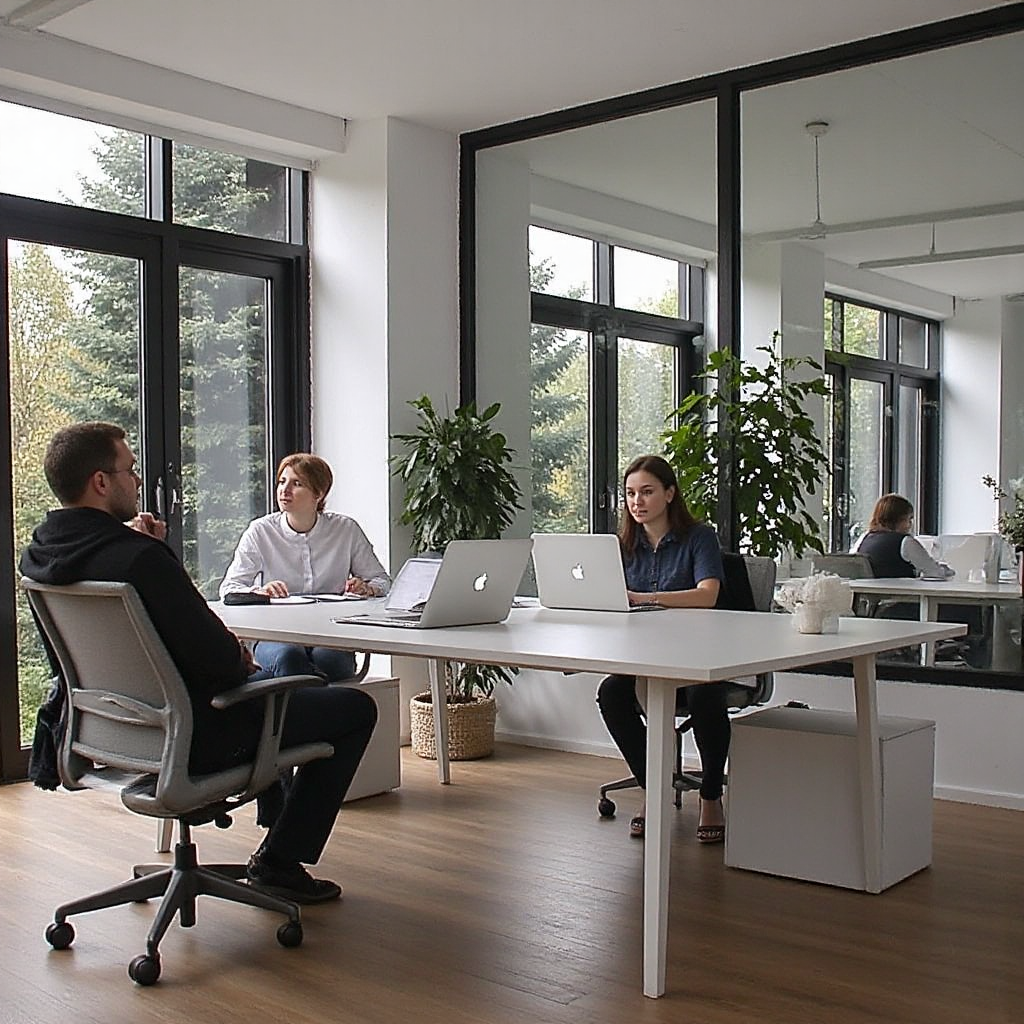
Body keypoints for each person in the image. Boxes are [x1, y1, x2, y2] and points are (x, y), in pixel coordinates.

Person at [20, 422, 377, 904]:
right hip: (198, 733)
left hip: (110, 731)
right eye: (130, 470)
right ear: (101, 483)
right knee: (354, 710)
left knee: (289, 688)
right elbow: (218, 661)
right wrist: (247, 666)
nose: (138, 481)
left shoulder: (43, 555)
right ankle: (279, 860)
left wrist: (147, 548)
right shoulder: (139, 560)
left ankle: (275, 827)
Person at [595, 454, 729, 843]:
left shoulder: (698, 537)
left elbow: (708, 596)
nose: (637, 502)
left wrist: (645, 597)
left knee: (707, 694)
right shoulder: (620, 546)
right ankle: (652, 785)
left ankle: (710, 795)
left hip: (696, 653)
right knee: (611, 694)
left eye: (648, 492)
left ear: (669, 494)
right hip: (642, 655)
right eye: (631, 494)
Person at [220, 453, 390, 681]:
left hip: (330, 632)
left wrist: (366, 588)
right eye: (282, 482)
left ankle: (293, 709)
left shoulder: (345, 529)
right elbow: (229, 589)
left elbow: (382, 581)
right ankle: (312, 711)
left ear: (318, 494)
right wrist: (260, 592)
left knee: (330, 661)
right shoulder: (261, 531)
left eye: (296, 484)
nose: (284, 490)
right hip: (276, 634)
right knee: (289, 658)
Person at [851, 494, 954, 579]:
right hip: (903, 599)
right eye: (909, 519)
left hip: (872, 599)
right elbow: (935, 572)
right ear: (897, 519)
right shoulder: (905, 542)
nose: (910, 525)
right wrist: (948, 570)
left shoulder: (864, 539)